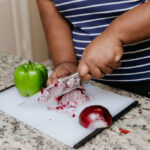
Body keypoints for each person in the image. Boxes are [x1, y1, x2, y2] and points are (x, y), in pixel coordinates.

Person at [37, 0, 150, 97]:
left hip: (144, 83)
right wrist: (65, 62)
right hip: (91, 86)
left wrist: (115, 35)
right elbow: (55, 21)